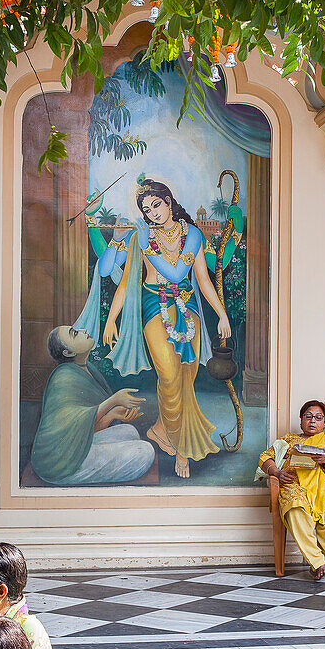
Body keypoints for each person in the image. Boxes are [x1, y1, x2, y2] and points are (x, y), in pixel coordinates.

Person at [101, 176, 231, 479]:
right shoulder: (142, 237)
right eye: (146, 209)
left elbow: (201, 279)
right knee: (169, 376)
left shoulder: (193, 235)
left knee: (186, 378)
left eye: (156, 205)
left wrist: (221, 313)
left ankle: (169, 436)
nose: (153, 213)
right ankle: (174, 440)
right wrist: (111, 319)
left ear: (169, 202)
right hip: (153, 307)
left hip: (188, 309)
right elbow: (123, 281)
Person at [29, 324, 155, 485]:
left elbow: (82, 429)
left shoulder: (88, 369)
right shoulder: (64, 377)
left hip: (73, 447)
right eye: (74, 333)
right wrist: (114, 400)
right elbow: (70, 427)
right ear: (68, 352)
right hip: (59, 463)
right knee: (145, 452)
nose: (83, 330)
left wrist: (112, 414)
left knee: (130, 431)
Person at [256, 400, 325, 579]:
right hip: (294, 483)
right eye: (308, 417)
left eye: (318, 418)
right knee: (295, 507)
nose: (312, 421)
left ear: (324, 423)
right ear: (301, 420)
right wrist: (277, 473)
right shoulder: (288, 439)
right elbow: (265, 458)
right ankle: (317, 562)